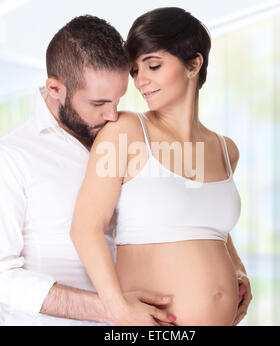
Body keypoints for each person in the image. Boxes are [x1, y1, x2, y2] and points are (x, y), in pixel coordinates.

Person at [70, 7, 252, 326]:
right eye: (135, 71)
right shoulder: (125, 131)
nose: (141, 82)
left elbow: (206, 221)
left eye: (152, 65)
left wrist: (238, 267)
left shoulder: (226, 150)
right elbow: (85, 228)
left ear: (194, 63)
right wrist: (118, 308)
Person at [0, 15, 176, 326]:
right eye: (98, 103)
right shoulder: (11, 156)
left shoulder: (123, 138)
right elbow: (3, 280)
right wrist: (113, 309)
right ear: (55, 88)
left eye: (118, 99)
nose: (112, 115)